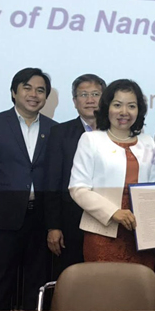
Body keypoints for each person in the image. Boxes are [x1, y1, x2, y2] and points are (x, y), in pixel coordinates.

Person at [0, 68, 58, 310]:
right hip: (2, 219)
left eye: (40, 90)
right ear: (14, 92)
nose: (34, 94)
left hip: (40, 219)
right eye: (27, 88)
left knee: (36, 285)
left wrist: (54, 223)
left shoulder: (54, 129)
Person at [69, 79, 155, 269]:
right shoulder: (90, 140)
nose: (124, 112)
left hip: (140, 232)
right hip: (102, 231)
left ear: (139, 111)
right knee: (103, 291)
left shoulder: (148, 142)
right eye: (117, 105)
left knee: (138, 291)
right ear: (107, 107)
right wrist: (113, 213)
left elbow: (153, 190)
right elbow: (78, 188)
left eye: (131, 106)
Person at [45, 74, 106, 277]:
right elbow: (52, 181)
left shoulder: (117, 131)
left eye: (96, 94)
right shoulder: (60, 133)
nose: (90, 100)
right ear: (74, 101)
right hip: (72, 223)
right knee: (72, 280)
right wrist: (53, 226)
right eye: (84, 94)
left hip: (109, 221)